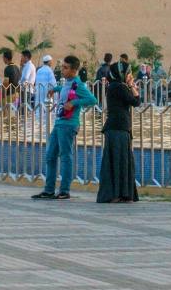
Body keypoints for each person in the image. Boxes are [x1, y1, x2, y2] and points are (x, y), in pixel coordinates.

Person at [38, 56, 94, 200]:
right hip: (59, 123)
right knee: (50, 156)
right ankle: (49, 190)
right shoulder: (68, 82)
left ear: (74, 70)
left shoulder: (78, 84)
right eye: (62, 66)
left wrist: (75, 102)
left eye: (65, 67)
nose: (62, 69)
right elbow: (64, 88)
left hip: (68, 125)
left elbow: (92, 100)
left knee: (65, 156)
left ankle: (64, 190)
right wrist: (55, 89)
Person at [96, 60, 140, 204]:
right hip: (118, 128)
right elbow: (136, 101)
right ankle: (118, 194)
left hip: (117, 128)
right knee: (119, 161)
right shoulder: (119, 87)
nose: (130, 75)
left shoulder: (115, 86)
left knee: (119, 161)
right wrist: (132, 85)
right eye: (128, 73)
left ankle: (119, 194)